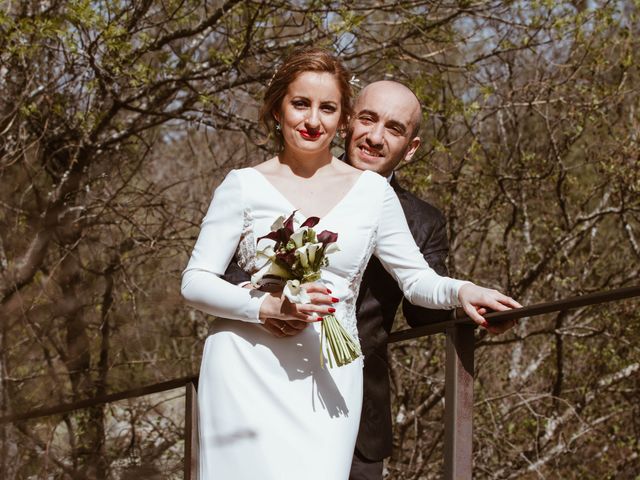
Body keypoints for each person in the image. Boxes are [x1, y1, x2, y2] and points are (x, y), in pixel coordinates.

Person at [181, 47, 521, 480]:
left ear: (341, 119)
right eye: (300, 104)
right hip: (244, 368)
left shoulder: (372, 194)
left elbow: (416, 280)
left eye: (327, 108)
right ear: (277, 110)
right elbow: (194, 282)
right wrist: (263, 307)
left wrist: (463, 291)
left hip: (331, 376)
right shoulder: (242, 185)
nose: (311, 120)